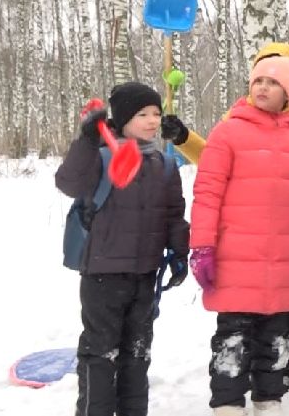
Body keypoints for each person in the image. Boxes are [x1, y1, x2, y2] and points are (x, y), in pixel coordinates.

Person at [160, 42, 289, 389]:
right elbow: (212, 168)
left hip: (284, 239)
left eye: (274, 76)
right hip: (240, 243)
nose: (264, 85)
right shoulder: (232, 125)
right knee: (237, 327)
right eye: (259, 76)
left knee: (282, 315)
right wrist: (183, 138)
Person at [56, 82, 190, 416]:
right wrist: (87, 138)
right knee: (100, 356)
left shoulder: (164, 164)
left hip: (144, 275)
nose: (152, 121)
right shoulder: (100, 156)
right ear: (123, 118)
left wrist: (178, 252)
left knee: (137, 355)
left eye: (156, 114)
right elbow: (68, 183)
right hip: (102, 276)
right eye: (142, 114)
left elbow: (173, 214)